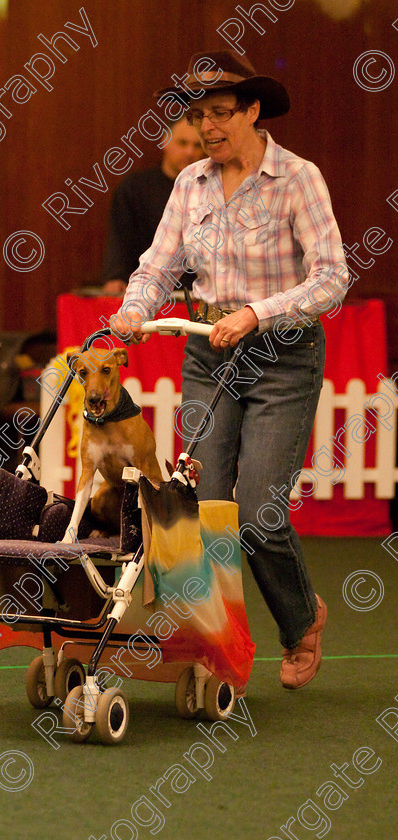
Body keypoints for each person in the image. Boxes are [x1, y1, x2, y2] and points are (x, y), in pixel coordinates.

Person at [110, 49, 349, 691]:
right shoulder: (190, 184)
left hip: (282, 356)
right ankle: (211, 646)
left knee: (257, 514)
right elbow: (159, 266)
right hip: (207, 356)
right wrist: (134, 309)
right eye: (199, 115)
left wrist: (257, 313)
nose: (208, 127)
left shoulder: (298, 179)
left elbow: (332, 279)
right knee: (205, 508)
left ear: (252, 112)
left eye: (220, 113)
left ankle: (300, 621)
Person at [102, 116, 205, 295]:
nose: (190, 152)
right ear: (164, 142)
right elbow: (120, 237)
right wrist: (115, 276)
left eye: (197, 145)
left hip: (198, 293)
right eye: (182, 143)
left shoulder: (210, 188)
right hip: (147, 290)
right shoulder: (135, 187)